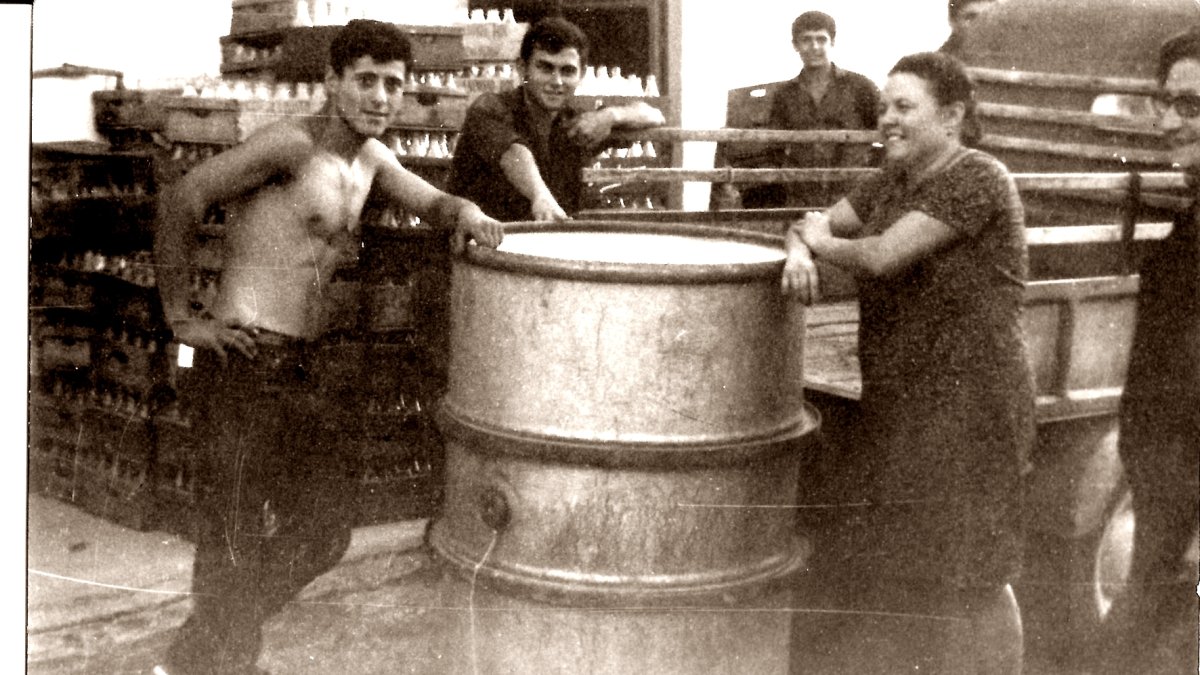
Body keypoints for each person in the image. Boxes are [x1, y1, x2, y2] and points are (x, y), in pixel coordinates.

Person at [151, 19, 502, 675]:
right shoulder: (290, 146)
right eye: (365, 80)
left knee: (325, 529)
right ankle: (220, 659)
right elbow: (185, 195)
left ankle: (201, 651)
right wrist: (181, 317)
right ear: (332, 81)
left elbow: (434, 202)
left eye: (393, 85)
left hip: (302, 367)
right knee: (233, 532)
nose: (380, 97)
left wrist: (468, 214)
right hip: (242, 359)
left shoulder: (370, 160)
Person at [782, 51, 1034, 674]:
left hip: (973, 405)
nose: (886, 120)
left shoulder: (979, 177)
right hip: (904, 401)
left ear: (951, 116)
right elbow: (810, 224)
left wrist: (819, 243)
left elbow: (884, 256)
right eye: (884, 107)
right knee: (912, 564)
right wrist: (797, 251)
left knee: (969, 570)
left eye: (904, 107)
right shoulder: (890, 179)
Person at [1096, 25, 1200, 675]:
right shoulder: (1192, 214)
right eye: (1165, 102)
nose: (1167, 121)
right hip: (1167, 525)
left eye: (1190, 105)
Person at [448, 16, 665, 221]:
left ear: (580, 75)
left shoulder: (576, 124)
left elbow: (654, 115)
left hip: (542, 245)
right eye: (545, 68)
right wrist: (540, 195)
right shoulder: (489, 108)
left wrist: (611, 116)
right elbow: (512, 151)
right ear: (522, 69)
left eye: (567, 71)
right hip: (479, 248)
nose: (557, 81)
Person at [751, 11, 880, 209]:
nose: (815, 47)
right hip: (801, 199)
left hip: (853, 200)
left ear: (833, 42)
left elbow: (886, 133)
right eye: (806, 40)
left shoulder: (861, 87)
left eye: (822, 39)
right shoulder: (785, 94)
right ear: (795, 45)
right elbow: (774, 147)